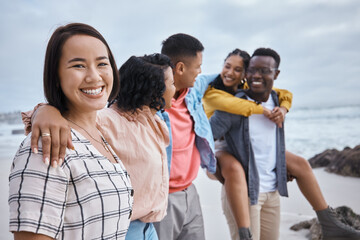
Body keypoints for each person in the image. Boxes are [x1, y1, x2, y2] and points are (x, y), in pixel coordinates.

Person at [207, 48, 360, 240]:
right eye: (253, 70)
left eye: (264, 70)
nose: (256, 75)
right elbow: (204, 139)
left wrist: (280, 166)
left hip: (271, 192)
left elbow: (269, 144)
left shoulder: (278, 101)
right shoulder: (230, 106)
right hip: (245, 194)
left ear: (275, 74)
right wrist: (215, 168)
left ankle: (329, 223)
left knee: (301, 163)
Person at [21, 53, 176, 240]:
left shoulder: (155, 121)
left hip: (149, 229)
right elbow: (67, 119)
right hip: (123, 231)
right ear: (154, 89)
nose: (175, 89)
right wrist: (44, 111)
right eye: (172, 83)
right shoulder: (111, 120)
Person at [9, 23, 133, 239]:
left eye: (102, 63)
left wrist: (42, 109)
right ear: (56, 77)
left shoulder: (98, 136)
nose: (94, 77)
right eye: (78, 66)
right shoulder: (47, 146)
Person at [152, 33, 217, 240]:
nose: (200, 71)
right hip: (163, 199)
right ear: (180, 68)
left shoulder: (192, 92)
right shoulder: (149, 103)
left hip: (191, 192)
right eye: (197, 66)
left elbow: (210, 78)